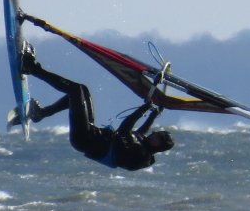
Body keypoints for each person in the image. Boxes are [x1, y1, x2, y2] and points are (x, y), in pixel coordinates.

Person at [20, 46, 175, 171]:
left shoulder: (140, 156)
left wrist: (143, 108)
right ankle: (41, 113)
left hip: (84, 138)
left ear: (158, 144)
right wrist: (153, 114)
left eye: (157, 135)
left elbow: (125, 129)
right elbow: (140, 133)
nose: (154, 132)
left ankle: (32, 68)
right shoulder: (144, 144)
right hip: (91, 132)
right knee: (83, 92)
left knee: (76, 90)